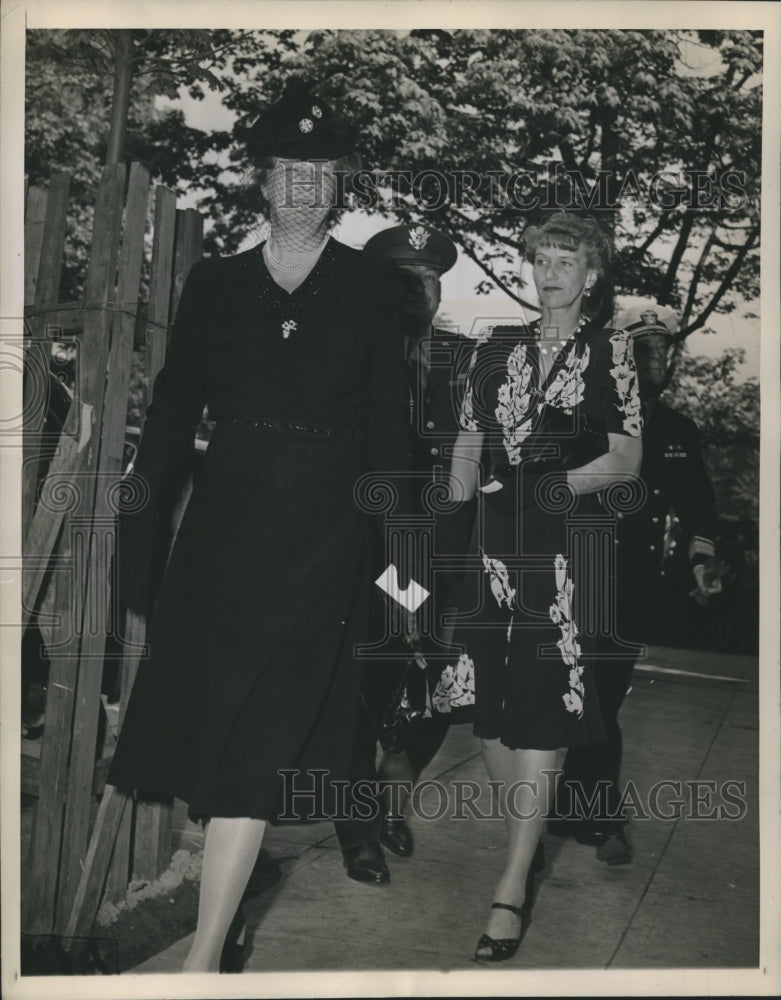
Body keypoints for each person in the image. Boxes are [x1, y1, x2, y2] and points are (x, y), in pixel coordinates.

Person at [107, 80, 410, 973]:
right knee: (223, 728)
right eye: (289, 171)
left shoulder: (372, 288)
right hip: (226, 532)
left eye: (322, 173)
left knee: (259, 738)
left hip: (324, 535)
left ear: (340, 187)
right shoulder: (216, 283)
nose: (305, 189)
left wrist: (406, 567)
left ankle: (203, 959)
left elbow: (392, 431)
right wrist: (138, 517)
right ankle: (227, 913)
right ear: (262, 182)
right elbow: (169, 417)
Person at [444, 212, 643, 961]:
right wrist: (447, 512)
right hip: (490, 546)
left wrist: (549, 484)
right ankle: (520, 844)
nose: (551, 272)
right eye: (542, 260)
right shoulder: (494, 348)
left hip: (562, 548)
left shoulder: (609, 352)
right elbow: (467, 436)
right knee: (491, 718)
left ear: (591, 275)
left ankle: (511, 884)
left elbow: (624, 460)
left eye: (567, 261)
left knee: (544, 711)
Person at [549, 303, 719, 863]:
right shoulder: (585, 417)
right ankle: (597, 814)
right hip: (578, 568)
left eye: (662, 351)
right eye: (642, 348)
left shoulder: (677, 430)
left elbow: (698, 507)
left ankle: (581, 810)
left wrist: (701, 561)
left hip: (634, 584)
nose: (653, 359)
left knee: (603, 693)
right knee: (579, 691)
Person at [333, 223, 475, 881]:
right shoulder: (350, 353)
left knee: (433, 690)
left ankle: (392, 798)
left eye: (430, 277)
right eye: (403, 277)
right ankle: (360, 827)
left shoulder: (468, 361)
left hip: (440, 555)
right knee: (369, 680)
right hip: (367, 549)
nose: (419, 288)